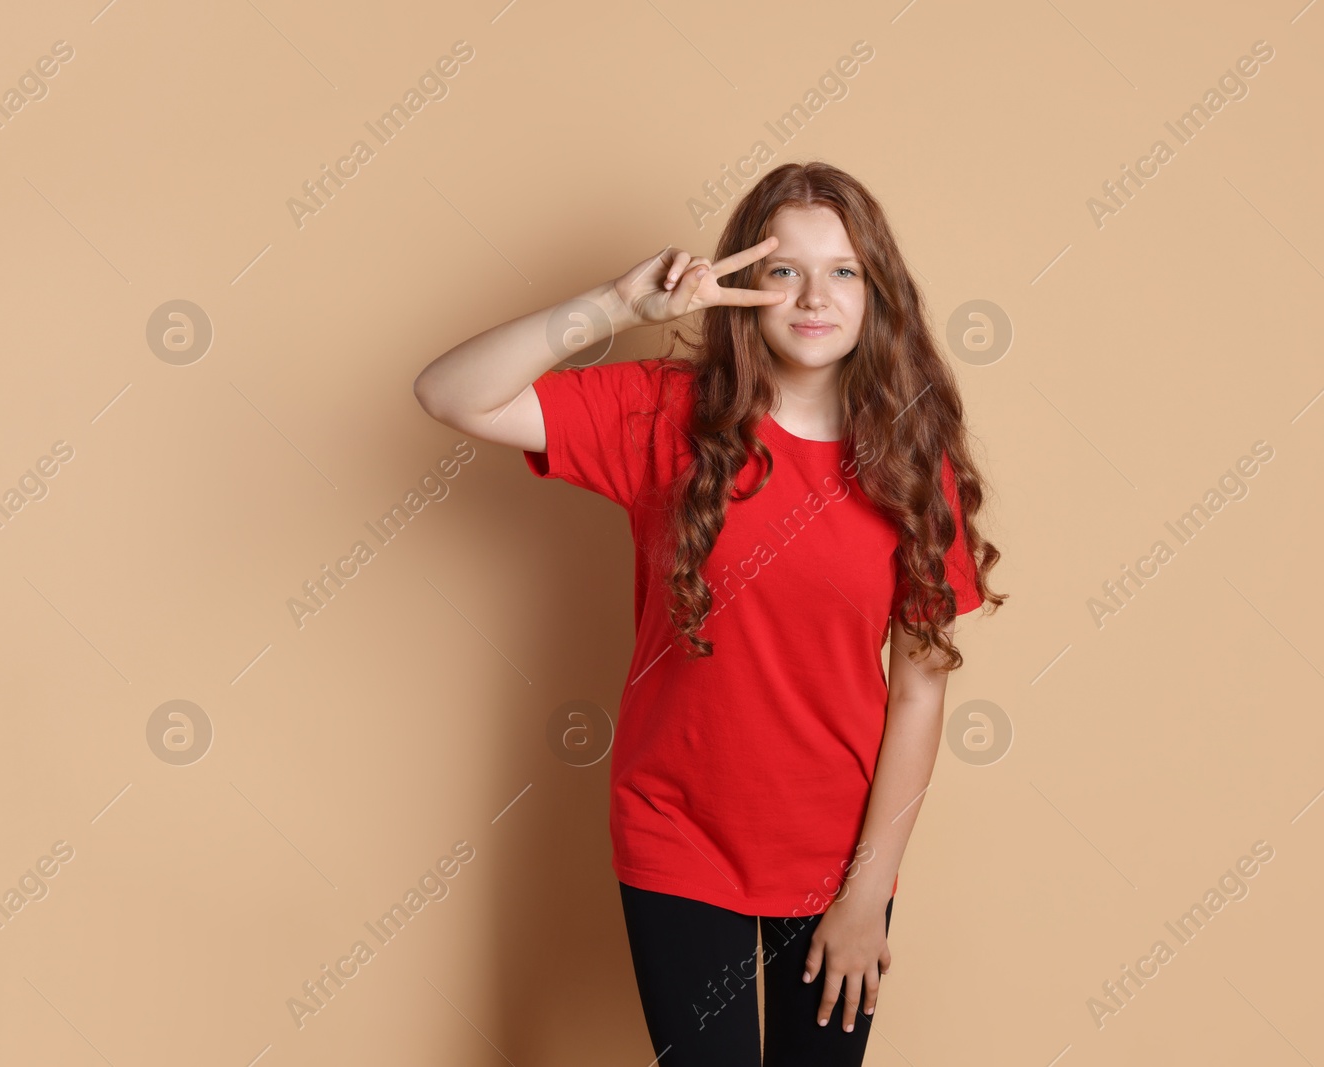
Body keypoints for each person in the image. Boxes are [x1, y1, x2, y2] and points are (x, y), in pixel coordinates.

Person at [413, 160, 1004, 1067]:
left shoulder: (913, 462)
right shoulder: (665, 412)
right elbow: (451, 392)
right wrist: (613, 306)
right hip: (675, 834)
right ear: (742, 285)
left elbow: (920, 695)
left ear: (878, 291)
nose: (815, 295)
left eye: (843, 270)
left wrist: (866, 893)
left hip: (837, 855)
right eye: (784, 270)